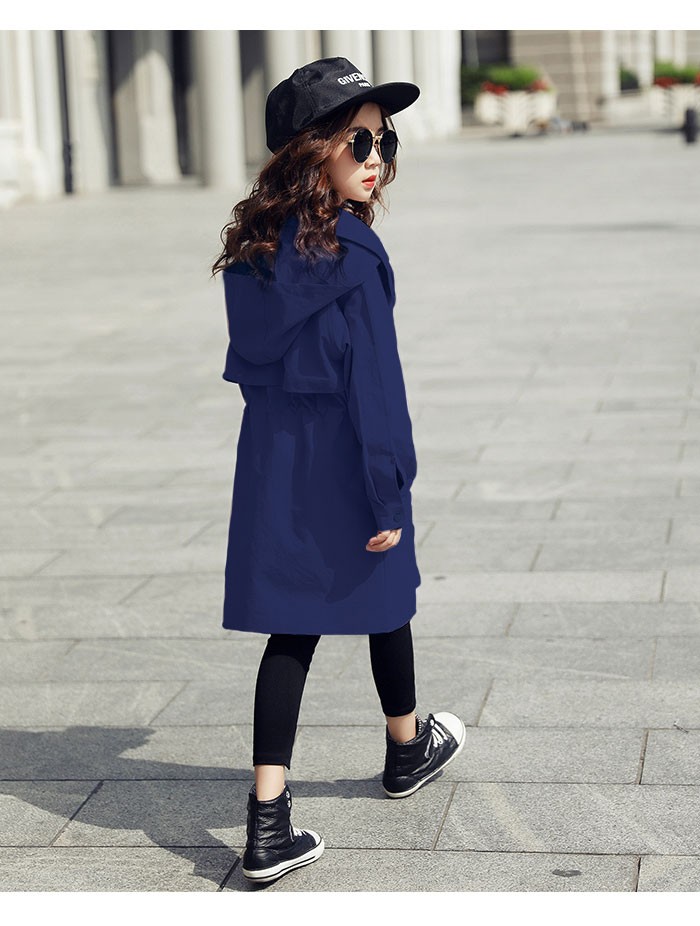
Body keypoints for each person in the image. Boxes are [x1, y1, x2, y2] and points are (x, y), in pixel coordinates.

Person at [211, 56, 465, 886]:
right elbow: (376, 389)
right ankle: (405, 748)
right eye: (358, 141)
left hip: (276, 464)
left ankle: (267, 821)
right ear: (311, 147)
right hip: (349, 456)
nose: (376, 157)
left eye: (384, 141)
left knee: (293, 629)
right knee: (388, 591)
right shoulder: (353, 254)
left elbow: (254, 369)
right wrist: (389, 485)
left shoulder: (254, 251)